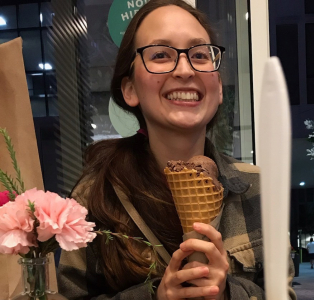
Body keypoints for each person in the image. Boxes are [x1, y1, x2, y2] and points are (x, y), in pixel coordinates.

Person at [56, 1, 297, 300]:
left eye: (199, 55)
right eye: (160, 54)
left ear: (219, 87)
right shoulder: (94, 196)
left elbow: (283, 293)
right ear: (129, 89)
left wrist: (228, 293)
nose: (185, 69)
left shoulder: (258, 188)